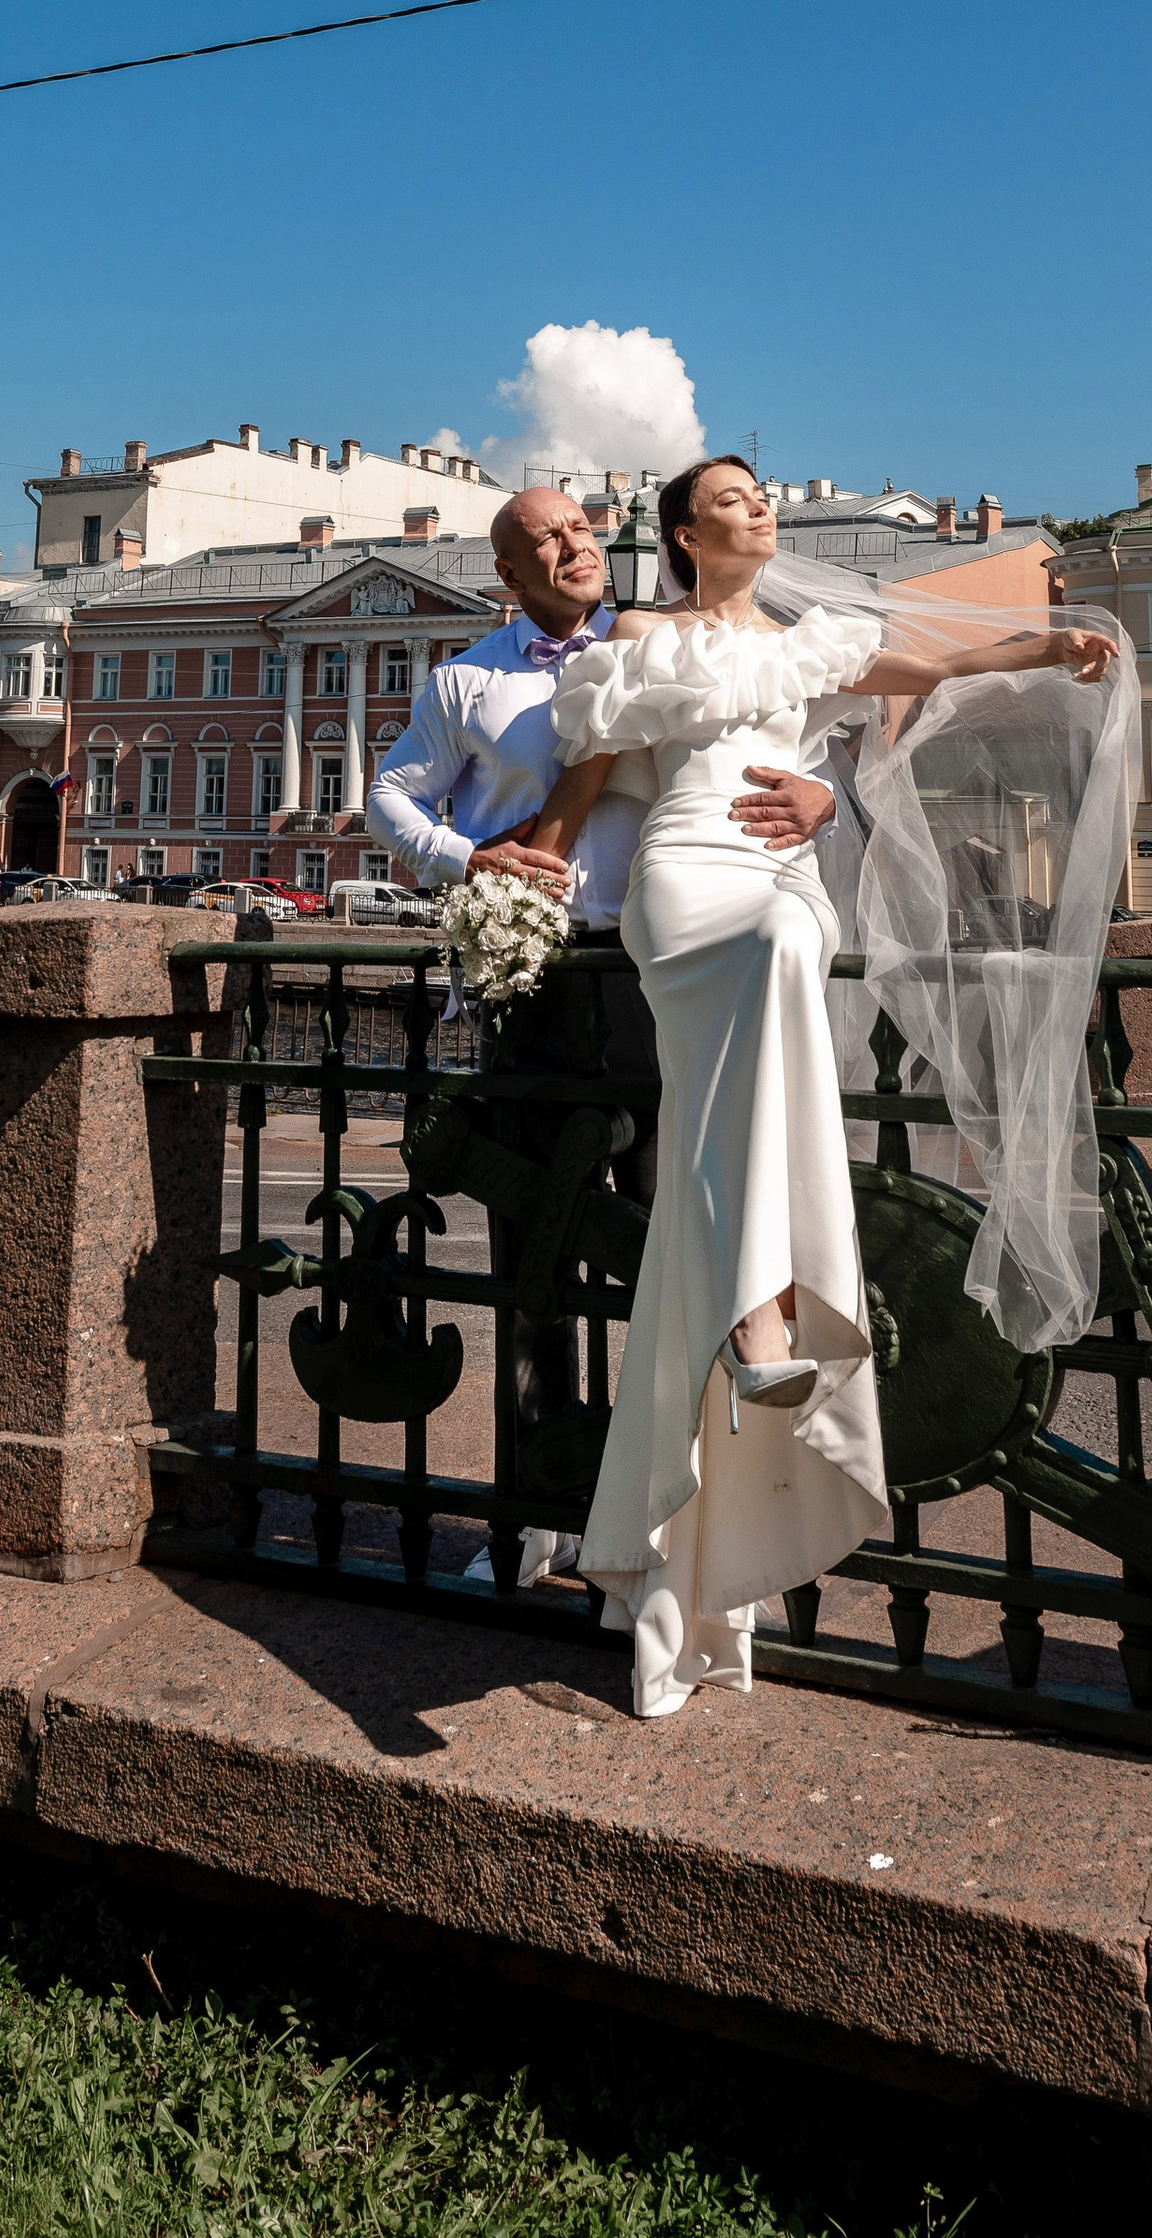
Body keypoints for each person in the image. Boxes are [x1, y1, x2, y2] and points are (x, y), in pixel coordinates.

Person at [527, 454, 1120, 1720]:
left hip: (782, 880)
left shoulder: (810, 640)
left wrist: (1046, 643)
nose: (760, 511)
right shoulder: (636, 633)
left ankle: (745, 1345)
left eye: (761, 497)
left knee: (737, 1078)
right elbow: (585, 773)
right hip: (691, 882)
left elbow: (941, 669)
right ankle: (764, 1318)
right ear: (683, 532)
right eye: (731, 501)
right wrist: (528, 861)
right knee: (776, 956)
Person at [365, 484, 843, 1579]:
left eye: (579, 527)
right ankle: (540, 1517)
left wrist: (821, 795)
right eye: (543, 539)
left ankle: (678, 1531)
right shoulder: (468, 677)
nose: (571, 544)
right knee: (535, 1253)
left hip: (661, 973)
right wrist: (467, 858)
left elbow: (797, 735)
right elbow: (392, 795)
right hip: (536, 975)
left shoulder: (681, 642)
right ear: (511, 575)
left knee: (673, 1245)